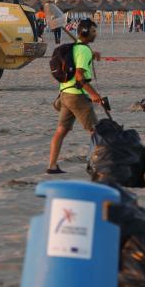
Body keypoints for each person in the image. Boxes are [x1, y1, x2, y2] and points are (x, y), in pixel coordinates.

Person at [47, 18, 103, 174]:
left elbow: (79, 55)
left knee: (61, 131)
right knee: (96, 132)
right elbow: (79, 76)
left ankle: (52, 166)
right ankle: (99, 167)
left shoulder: (76, 47)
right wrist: (94, 94)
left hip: (64, 94)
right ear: (85, 32)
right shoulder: (84, 50)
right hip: (77, 96)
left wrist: (93, 53)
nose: (95, 34)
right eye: (93, 31)